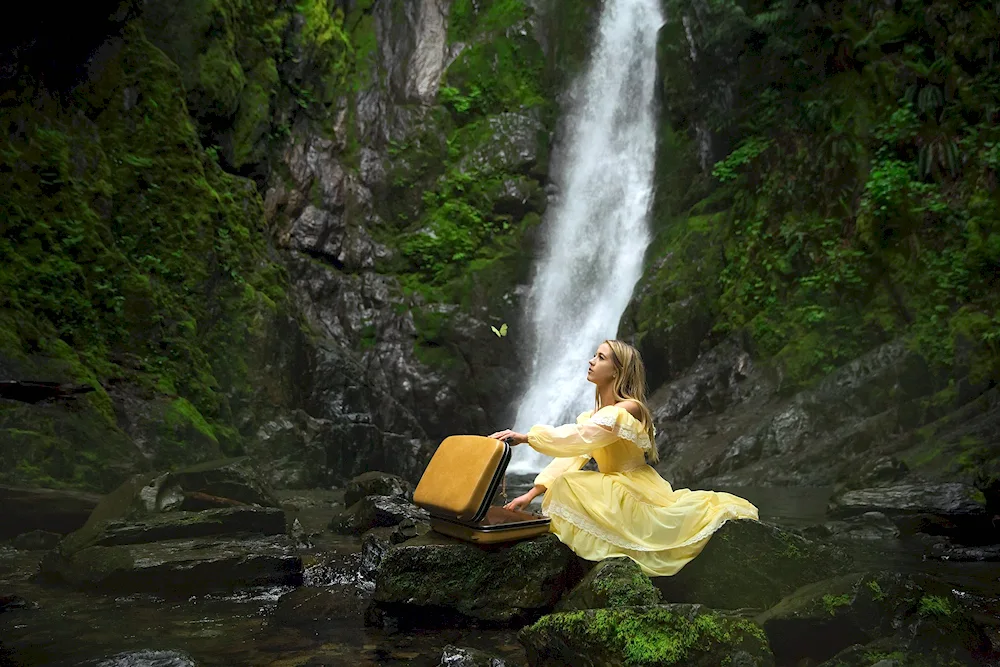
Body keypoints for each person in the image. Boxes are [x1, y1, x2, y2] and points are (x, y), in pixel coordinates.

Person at [489, 339, 758, 577]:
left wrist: (527, 438)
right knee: (567, 484)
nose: (591, 361)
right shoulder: (596, 415)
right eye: (595, 355)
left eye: (601, 357)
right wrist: (531, 494)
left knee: (569, 486)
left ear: (616, 371)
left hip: (631, 486)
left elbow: (580, 437)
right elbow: (575, 454)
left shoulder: (628, 408)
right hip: (613, 486)